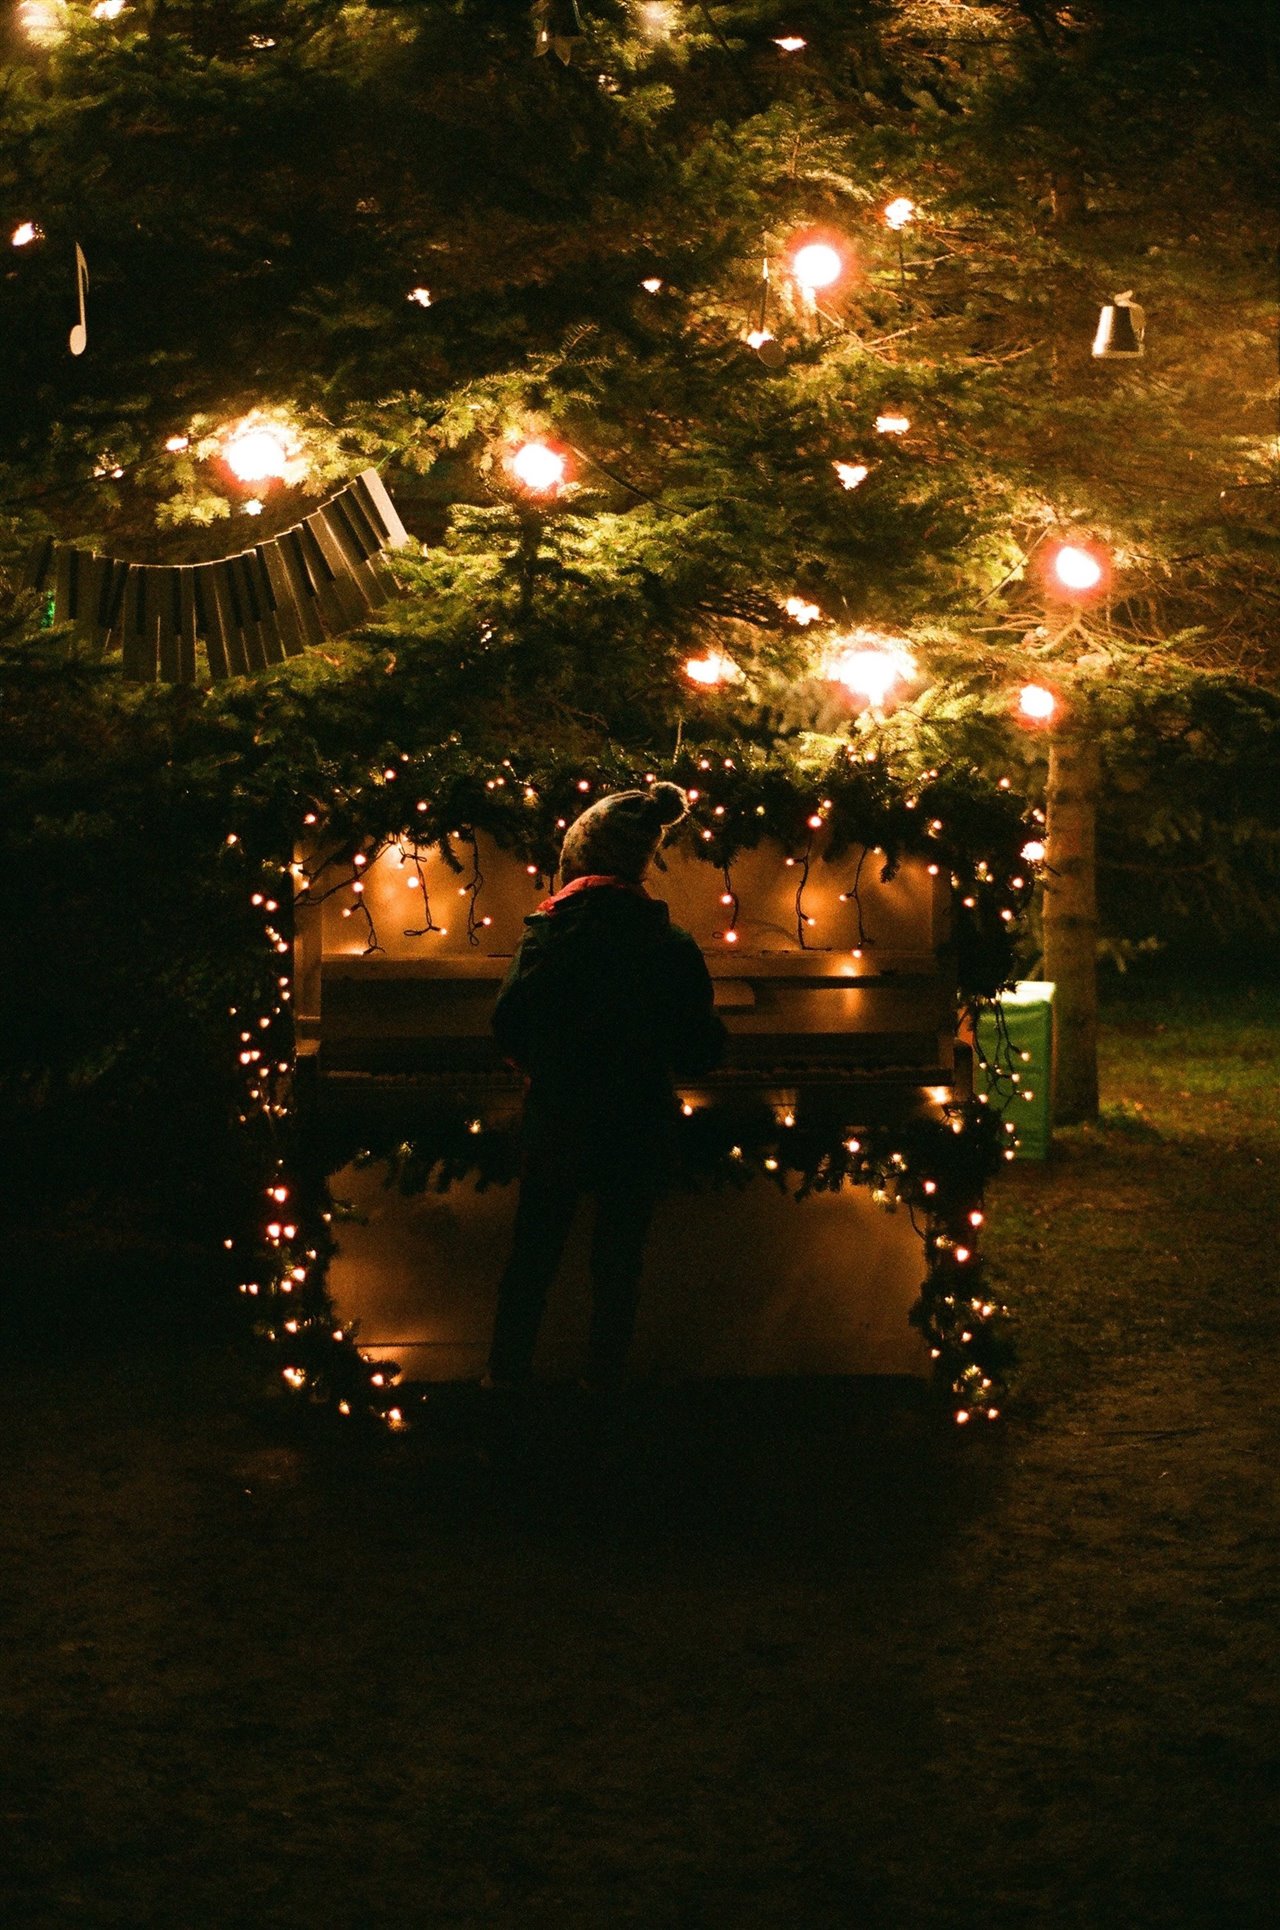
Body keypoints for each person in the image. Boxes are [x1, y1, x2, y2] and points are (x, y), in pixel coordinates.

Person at [484, 782, 726, 1393]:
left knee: (534, 1254)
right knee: (618, 1262)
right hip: (637, 1123)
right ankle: (605, 1387)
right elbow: (700, 1050)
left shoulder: (546, 932)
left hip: (559, 1119)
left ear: (579, 859)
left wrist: (543, 1066)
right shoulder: (669, 944)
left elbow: (508, 1022)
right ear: (639, 865)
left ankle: (506, 1378)